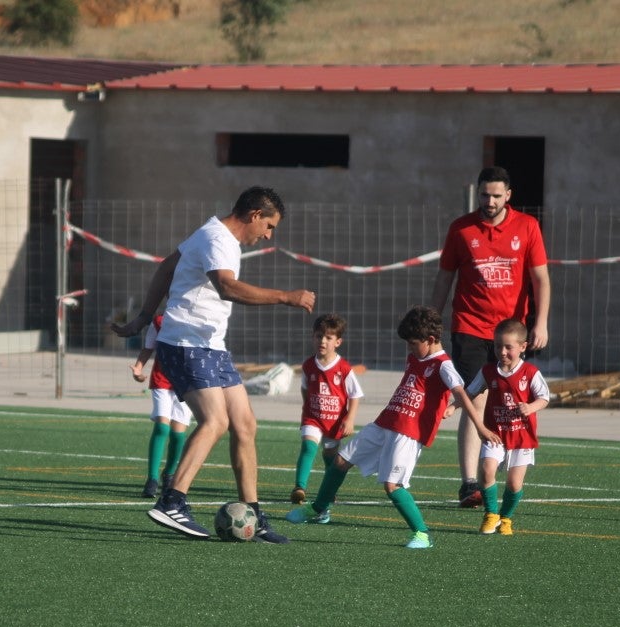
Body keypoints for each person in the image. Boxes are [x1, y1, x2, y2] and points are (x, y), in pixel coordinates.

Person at [112, 186, 315, 543]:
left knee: (245, 424)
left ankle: (254, 512)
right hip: (186, 344)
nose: (268, 235)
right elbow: (227, 287)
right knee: (215, 420)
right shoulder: (218, 238)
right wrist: (286, 296)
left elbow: (166, 266)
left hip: (210, 346)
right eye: (269, 226)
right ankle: (172, 501)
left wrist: (145, 315)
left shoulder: (210, 233)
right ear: (254, 215)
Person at [286, 306, 500, 549]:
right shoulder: (416, 357)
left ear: (430, 340)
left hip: (409, 433)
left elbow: (463, 392)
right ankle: (318, 508)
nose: (409, 348)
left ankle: (422, 534)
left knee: (392, 485)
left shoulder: (444, 365)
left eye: (412, 343)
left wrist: (479, 426)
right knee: (340, 461)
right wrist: (449, 408)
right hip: (386, 421)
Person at [431, 166, 551, 508]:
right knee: (475, 399)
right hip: (469, 327)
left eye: (497, 195)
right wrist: (432, 319)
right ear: (478, 194)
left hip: (511, 332)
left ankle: (503, 470)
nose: (490, 201)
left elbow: (540, 279)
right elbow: (444, 278)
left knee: (510, 400)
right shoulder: (461, 229)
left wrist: (540, 323)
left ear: (508, 195)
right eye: (485, 194)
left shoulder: (528, 226)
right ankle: (470, 483)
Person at [464, 319, 549, 536]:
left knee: (514, 483)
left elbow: (544, 397)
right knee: (486, 469)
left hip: (522, 437)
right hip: (496, 434)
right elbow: (470, 392)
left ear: (523, 347)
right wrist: (452, 406)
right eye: (497, 346)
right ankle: (491, 514)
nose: (502, 352)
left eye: (508, 347)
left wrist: (531, 407)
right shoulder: (488, 371)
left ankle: (506, 518)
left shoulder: (530, 373)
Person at [291, 313, 364, 504]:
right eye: (318, 336)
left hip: (335, 421)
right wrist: (307, 410)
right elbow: (305, 389)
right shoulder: (308, 365)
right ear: (312, 337)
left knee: (330, 456)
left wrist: (349, 419)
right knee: (308, 447)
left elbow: (355, 395)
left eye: (328, 338)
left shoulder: (344, 368)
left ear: (338, 342)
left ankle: (329, 491)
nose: (322, 341)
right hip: (313, 417)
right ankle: (300, 488)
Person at [131, 313, 193, 499]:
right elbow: (148, 348)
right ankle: (152, 479)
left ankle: (169, 475)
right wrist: (138, 368)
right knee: (161, 428)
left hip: (187, 381)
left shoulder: (198, 320)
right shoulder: (158, 321)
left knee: (177, 433)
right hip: (162, 380)